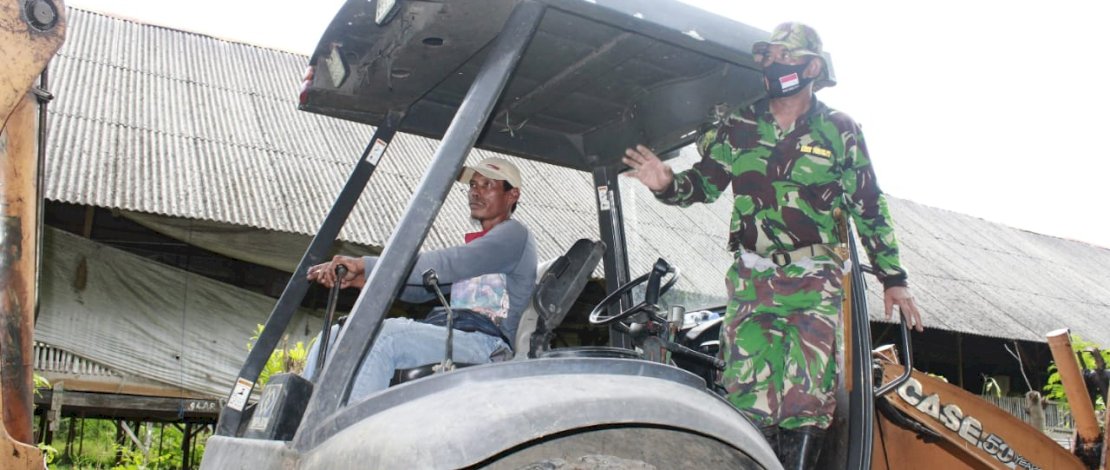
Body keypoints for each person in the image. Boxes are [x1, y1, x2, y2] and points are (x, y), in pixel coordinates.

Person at [621, 22, 923, 469]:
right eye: (767, 57)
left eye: (784, 56)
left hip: (814, 281)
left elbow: (868, 204)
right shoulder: (740, 125)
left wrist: (893, 278)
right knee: (747, 390)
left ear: (811, 66)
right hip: (753, 279)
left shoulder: (840, 130)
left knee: (806, 395)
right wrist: (666, 184)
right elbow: (703, 184)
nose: (772, 65)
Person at [302, 157, 537, 401]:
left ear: (512, 195)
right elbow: (424, 289)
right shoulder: (483, 246)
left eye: (487, 185)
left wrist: (366, 264)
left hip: (486, 343)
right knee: (336, 334)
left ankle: (349, 436)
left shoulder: (513, 235)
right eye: (473, 185)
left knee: (385, 338)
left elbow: (448, 263)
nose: (475, 192)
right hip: (452, 331)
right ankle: (304, 424)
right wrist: (362, 278)